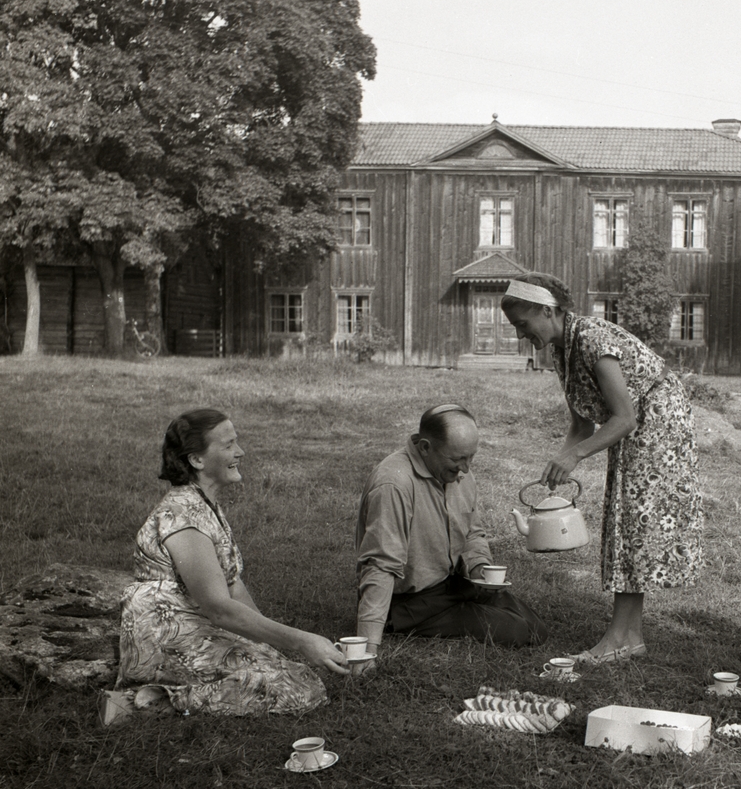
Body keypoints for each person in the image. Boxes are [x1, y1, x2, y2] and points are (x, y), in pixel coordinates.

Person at [500, 273, 703, 663]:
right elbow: (581, 424)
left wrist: (575, 457)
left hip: (657, 419)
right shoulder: (563, 349)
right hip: (638, 422)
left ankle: (623, 637)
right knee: (624, 522)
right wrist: (560, 465)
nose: (520, 335)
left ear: (547, 310)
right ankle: (628, 635)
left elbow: (624, 417)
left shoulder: (592, 337)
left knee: (631, 522)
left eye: (523, 325)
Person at [119, 409, 347, 717]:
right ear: (197, 460)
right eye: (228, 445)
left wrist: (272, 647)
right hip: (166, 638)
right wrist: (302, 641)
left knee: (296, 674)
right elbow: (218, 607)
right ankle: (144, 702)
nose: (240, 452)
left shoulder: (204, 504)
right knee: (295, 691)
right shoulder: (183, 516)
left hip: (196, 626)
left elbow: (233, 589)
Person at [355, 403, 548, 650]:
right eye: (457, 459)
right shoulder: (394, 484)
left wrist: (479, 567)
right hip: (409, 602)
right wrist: (368, 647)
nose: (466, 469)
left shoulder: (459, 472)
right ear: (425, 447)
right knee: (517, 630)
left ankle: (464, 609)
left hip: (452, 585)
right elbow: (380, 566)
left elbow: (471, 532)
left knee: (536, 628)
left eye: (471, 457)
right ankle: (398, 624)